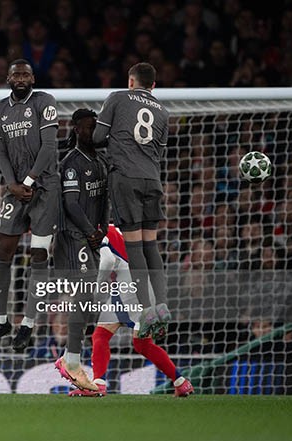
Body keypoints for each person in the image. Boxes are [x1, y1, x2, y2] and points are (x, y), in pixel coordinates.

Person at [0, 59, 60, 351]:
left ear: (33, 78)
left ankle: (28, 324)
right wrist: (12, 184)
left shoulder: (44, 102)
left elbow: (49, 147)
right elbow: (1, 152)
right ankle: (1, 320)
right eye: (16, 74)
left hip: (45, 188)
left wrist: (27, 181)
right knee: (3, 250)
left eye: (26, 74)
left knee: (39, 254)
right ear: (8, 78)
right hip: (15, 190)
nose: (21, 78)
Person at [93, 62, 171, 339]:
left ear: (130, 81)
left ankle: (146, 309)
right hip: (152, 179)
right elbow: (158, 153)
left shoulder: (117, 98)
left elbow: (98, 137)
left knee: (134, 246)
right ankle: (162, 304)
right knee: (151, 245)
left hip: (126, 178)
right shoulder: (163, 112)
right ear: (153, 86)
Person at [70, 225, 194, 398]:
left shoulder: (96, 230)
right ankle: (181, 382)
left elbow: (107, 261)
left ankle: (98, 384)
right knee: (142, 344)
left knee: (101, 335)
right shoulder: (114, 229)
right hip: (145, 284)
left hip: (129, 284)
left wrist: (97, 289)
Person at [52, 109, 108, 392]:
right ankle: (71, 360)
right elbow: (72, 204)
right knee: (84, 293)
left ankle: (72, 357)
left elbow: (104, 199)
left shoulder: (101, 160)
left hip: (92, 237)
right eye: (87, 127)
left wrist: (103, 230)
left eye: (95, 127)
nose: (92, 132)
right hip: (74, 236)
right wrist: (90, 231)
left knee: (88, 298)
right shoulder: (71, 164)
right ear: (76, 129)